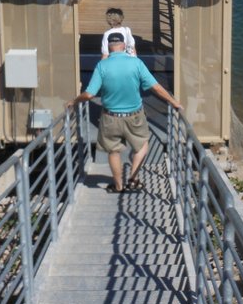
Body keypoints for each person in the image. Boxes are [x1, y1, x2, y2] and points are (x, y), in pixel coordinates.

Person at [69, 34, 182, 193]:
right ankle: (133, 179)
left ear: (109, 47)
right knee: (142, 144)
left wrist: (74, 101)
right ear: (124, 45)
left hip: (110, 117)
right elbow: (155, 87)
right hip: (135, 116)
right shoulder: (136, 63)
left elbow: (89, 94)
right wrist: (173, 102)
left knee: (113, 151)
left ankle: (118, 186)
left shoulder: (102, 66)